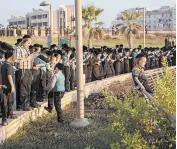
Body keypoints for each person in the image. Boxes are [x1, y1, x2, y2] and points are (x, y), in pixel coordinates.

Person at [14, 35, 33, 111]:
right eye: (28, 43)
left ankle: (26, 104)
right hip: (22, 69)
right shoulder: (18, 49)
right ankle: (22, 105)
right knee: (22, 87)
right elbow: (15, 60)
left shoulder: (27, 49)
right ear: (24, 42)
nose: (29, 45)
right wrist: (26, 59)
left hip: (28, 69)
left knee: (28, 87)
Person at [1, 51, 17, 125]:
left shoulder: (2, 64)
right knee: (7, 103)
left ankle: (4, 118)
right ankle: (5, 119)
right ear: (11, 57)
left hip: (2, 86)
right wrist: (13, 86)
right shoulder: (9, 66)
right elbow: (9, 76)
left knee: (3, 103)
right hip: (7, 87)